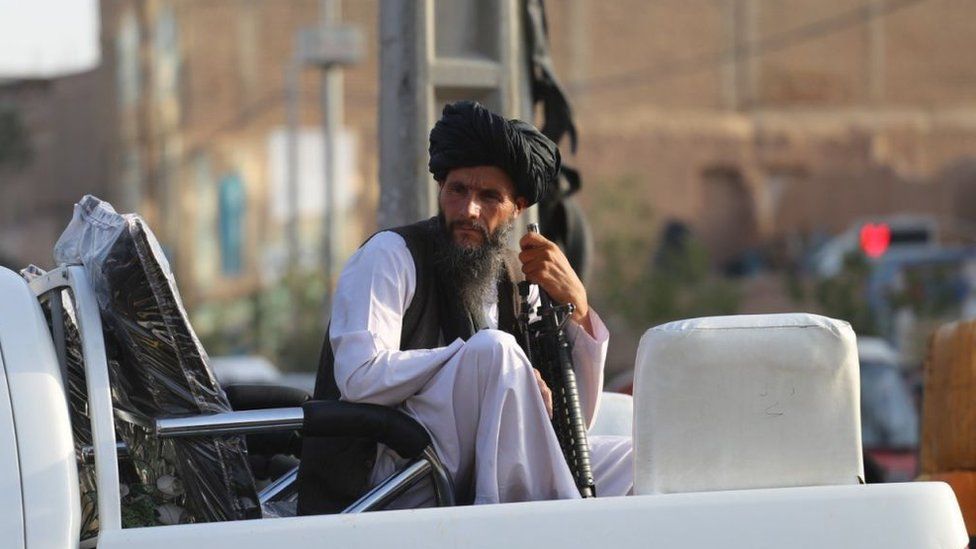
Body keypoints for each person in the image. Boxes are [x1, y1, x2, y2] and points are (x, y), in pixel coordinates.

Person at [299, 101, 632, 513]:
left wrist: (577, 307)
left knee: (639, 463)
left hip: (482, 469)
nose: (469, 210)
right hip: (391, 475)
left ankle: (555, 516)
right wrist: (479, 362)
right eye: (458, 190)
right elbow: (359, 377)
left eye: (489, 196)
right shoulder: (391, 255)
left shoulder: (515, 279)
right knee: (495, 352)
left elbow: (571, 425)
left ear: (518, 208)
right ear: (441, 189)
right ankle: (538, 529)